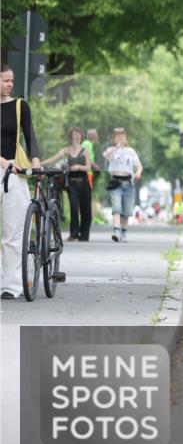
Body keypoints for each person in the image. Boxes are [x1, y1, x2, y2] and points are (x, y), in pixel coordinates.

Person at [1, 64, 42, 300]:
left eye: (11, 80)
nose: (10, 84)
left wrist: (35, 162)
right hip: (4, 166)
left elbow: (30, 136)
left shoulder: (20, 106)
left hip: (13, 174)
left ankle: (11, 285)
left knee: (13, 233)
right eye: (5, 80)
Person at [41, 126, 93, 241]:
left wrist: (78, 166)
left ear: (81, 136)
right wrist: (39, 164)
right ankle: (74, 234)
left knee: (86, 210)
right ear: (71, 136)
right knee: (74, 208)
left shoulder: (85, 151)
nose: (77, 136)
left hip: (84, 182)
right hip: (71, 183)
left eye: (79, 134)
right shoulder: (67, 150)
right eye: (74, 134)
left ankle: (84, 235)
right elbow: (52, 159)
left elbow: (88, 167)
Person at [103, 127, 142, 243]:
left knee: (127, 211)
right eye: (117, 136)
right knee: (116, 208)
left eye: (122, 136)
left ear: (126, 138)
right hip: (116, 183)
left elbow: (139, 166)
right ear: (113, 139)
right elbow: (105, 154)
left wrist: (138, 173)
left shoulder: (131, 151)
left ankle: (123, 232)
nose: (120, 138)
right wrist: (117, 147)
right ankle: (116, 231)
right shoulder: (112, 150)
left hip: (129, 183)